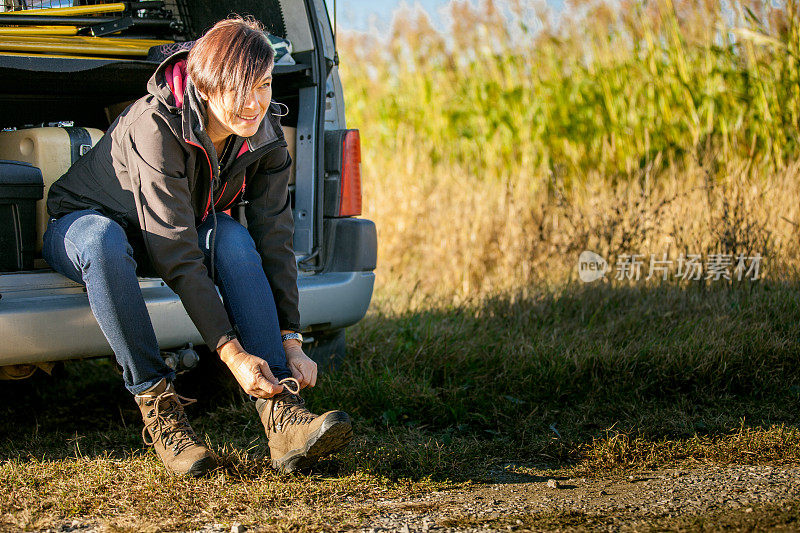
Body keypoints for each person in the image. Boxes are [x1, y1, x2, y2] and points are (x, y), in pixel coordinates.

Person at [42, 16, 352, 476]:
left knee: (231, 237)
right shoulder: (155, 124)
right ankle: (160, 409)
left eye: (264, 85)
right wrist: (230, 352)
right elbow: (176, 253)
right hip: (85, 224)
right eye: (240, 89)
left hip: (168, 229)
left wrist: (291, 338)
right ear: (205, 88)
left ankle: (281, 414)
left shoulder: (264, 137)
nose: (254, 103)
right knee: (104, 243)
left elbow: (277, 240)